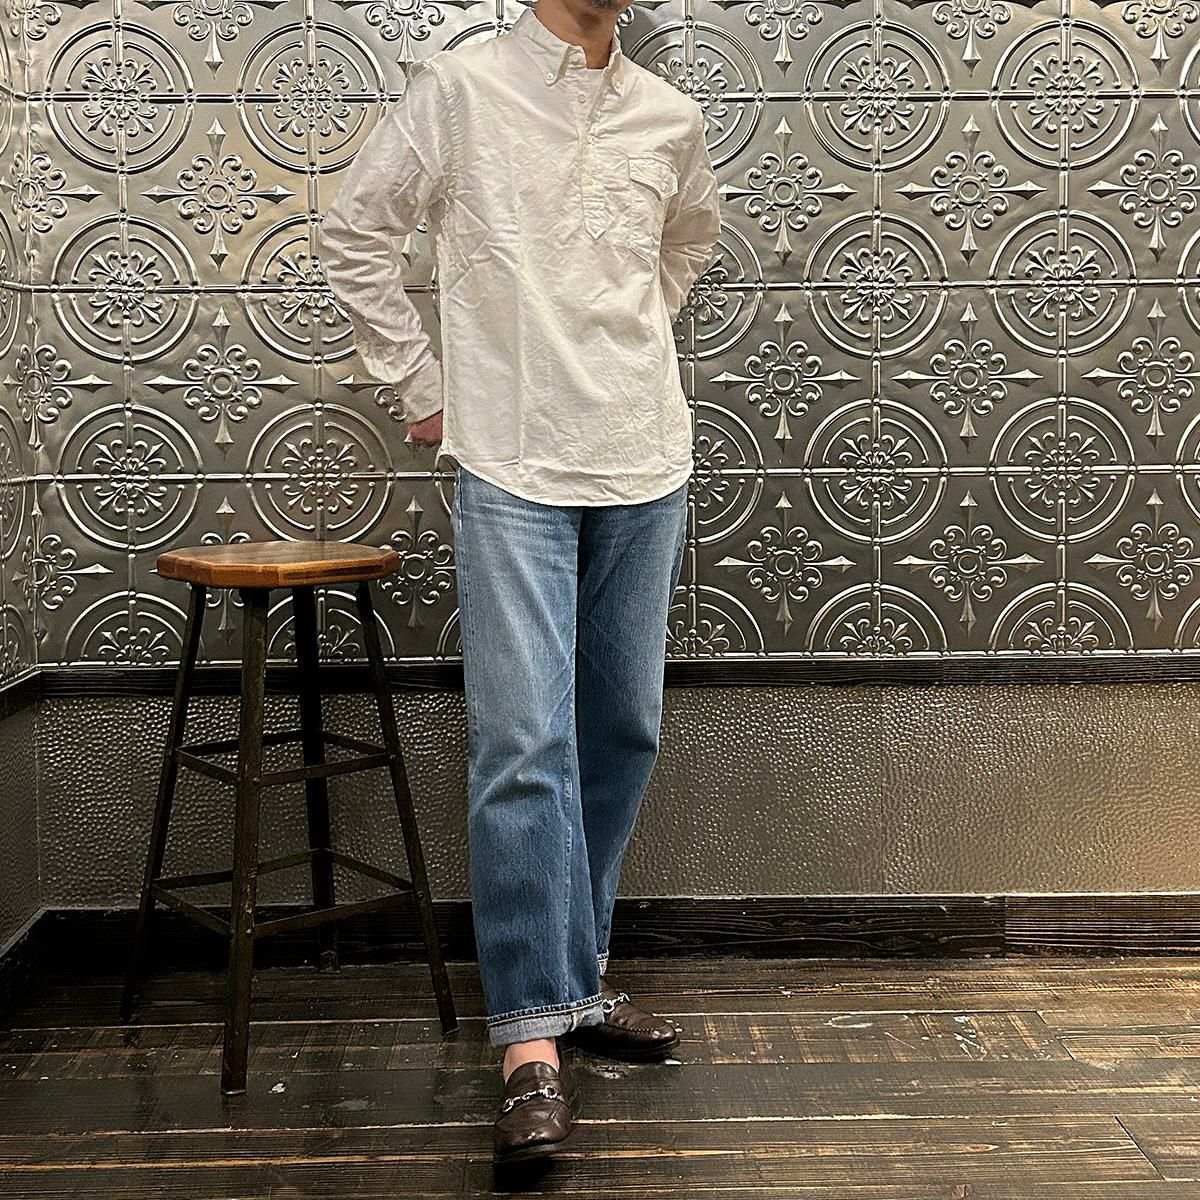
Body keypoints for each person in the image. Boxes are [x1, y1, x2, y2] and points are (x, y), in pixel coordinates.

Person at [318, 0, 722, 1168]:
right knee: (523, 744)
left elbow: (684, 245)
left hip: (645, 457)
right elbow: (355, 232)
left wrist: (617, 341)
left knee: (621, 730)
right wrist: (422, 385)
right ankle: (529, 1044)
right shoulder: (460, 89)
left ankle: (574, 983)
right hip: (513, 462)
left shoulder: (667, 112)